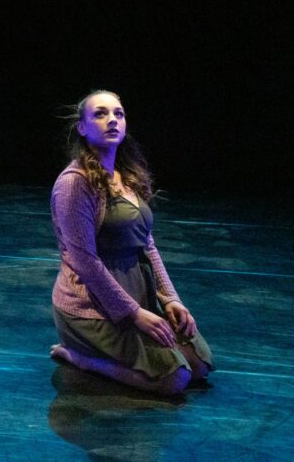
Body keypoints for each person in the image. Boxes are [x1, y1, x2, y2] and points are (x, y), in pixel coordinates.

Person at [49, 90, 213, 395]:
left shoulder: (125, 177)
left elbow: (146, 244)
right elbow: (86, 263)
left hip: (138, 292)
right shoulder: (74, 183)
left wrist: (171, 299)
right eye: (100, 114)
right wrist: (133, 314)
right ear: (82, 128)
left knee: (199, 366)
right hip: (92, 306)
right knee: (174, 379)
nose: (112, 120)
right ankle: (82, 359)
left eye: (118, 114)